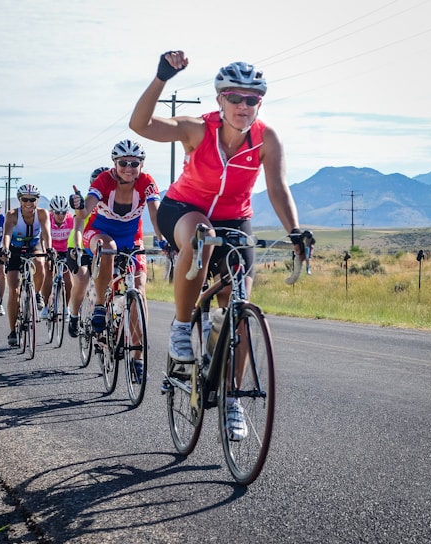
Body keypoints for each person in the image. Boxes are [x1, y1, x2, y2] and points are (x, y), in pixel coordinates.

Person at [129, 51, 305, 440]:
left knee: (238, 308)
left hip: (233, 218)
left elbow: (277, 188)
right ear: (220, 100)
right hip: (184, 210)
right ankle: (180, 326)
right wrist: (161, 78)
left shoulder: (266, 138)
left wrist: (295, 230)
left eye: (252, 99)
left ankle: (231, 400)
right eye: (235, 98)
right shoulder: (197, 129)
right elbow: (139, 124)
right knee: (202, 234)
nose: (244, 106)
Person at [70, 140, 166, 378]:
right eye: (124, 163)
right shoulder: (104, 180)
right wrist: (80, 207)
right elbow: (85, 212)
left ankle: (137, 357)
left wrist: (164, 240)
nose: (129, 168)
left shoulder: (147, 182)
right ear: (115, 163)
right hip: (100, 234)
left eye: (135, 163)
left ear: (141, 164)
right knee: (108, 247)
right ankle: (100, 307)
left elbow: (155, 214)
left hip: (131, 237)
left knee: (139, 291)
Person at [2, 184, 53, 347]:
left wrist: (50, 249)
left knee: (40, 262)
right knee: (14, 290)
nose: (28, 202)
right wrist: (5, 249)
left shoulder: (43, 213)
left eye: (32, 199)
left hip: (34, 246)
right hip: (15, 249)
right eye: (25, 199)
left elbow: (46, 233)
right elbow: (7, 234)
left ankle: (37, 293)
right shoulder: (11, 215)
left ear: (38, 200)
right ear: (20, 200)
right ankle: (12, 331)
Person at [66, 167, 109, 338]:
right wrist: (77, 248)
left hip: (101, 247)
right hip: (80, 247)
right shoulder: (85, 202)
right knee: (82, 279)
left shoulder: (114, 203)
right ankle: (74, 316)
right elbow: (78, 227)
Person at [40, 195, 74, 320]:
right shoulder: (47, 219)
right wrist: (45, 253)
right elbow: (42, 239)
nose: (61, 215)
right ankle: (45, 307)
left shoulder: (71, 220)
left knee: (68, 280)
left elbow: (76, 238)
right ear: (52, 211)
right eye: (58, 212)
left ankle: (66, 307)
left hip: (66, 251)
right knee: (48, 273)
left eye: (64, 212)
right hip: (51, 250)